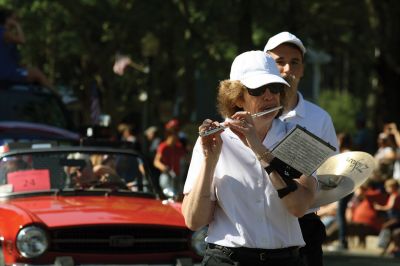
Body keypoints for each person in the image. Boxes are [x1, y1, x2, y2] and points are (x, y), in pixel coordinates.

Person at [182, 50, 317, 266]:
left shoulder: (298, 139)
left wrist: (257, 147)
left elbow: (299, 207)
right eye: (257, 89)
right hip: (226, 258)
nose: (269, 96)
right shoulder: (214, 139)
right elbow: (194, 221)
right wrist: (209, 161)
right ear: (237, 98)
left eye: (275, 88)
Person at [264, 31, 339, 265]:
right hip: (258, 221)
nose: (287, 69)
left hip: (304, 224)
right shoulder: (250, 116)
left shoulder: (320, 118)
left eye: (294, 62)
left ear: (303, 69)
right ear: (265, 66)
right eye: (279, 61)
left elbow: (331, 172)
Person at [0, 8, 55, 92]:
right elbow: (22, 40)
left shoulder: (6, 34)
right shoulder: (4, 32)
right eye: (14, 19)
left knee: (31, 74)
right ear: (8, 20)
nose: (17, 21)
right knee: (37, 73)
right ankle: (57, 94)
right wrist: (17, 26)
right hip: (8, 73)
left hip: (12, 70)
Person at [154, 119, 187, 197]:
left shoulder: (179, 147)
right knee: (169, 195)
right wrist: (164, 168)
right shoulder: (163, 146)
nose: (176, 136)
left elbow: (185, 159)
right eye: (174, 133)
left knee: (179, 196)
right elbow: (156, 162)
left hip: (177, 176)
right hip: (167, 175)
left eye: (176, 133)